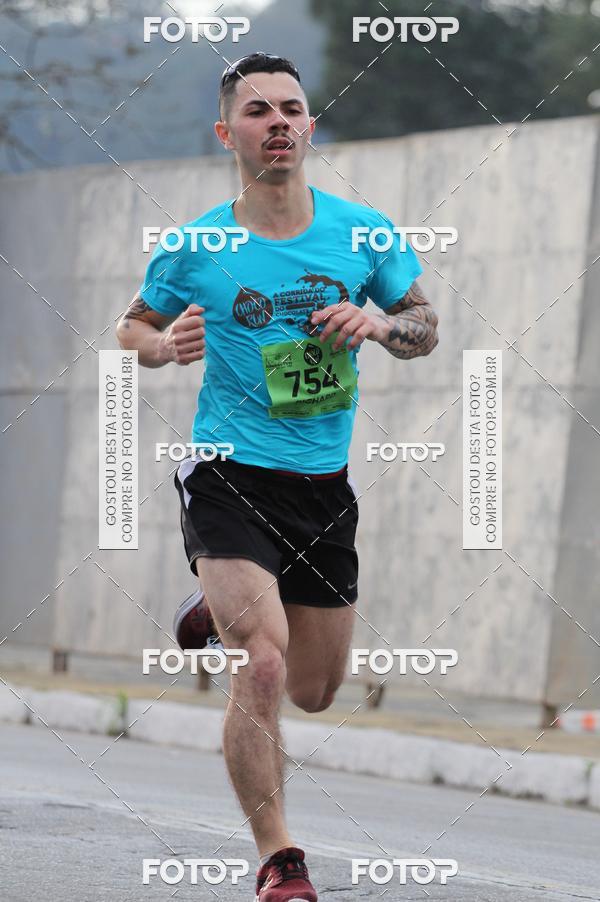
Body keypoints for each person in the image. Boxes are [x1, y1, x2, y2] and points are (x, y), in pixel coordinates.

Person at [116, 52, 438, 902]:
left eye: (292, 108)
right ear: (229, 134)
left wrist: (374, 323)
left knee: (316, 689)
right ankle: (278, 857)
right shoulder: (196, 244)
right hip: (228, 474)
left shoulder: (363, 233)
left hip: (322, 488)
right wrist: (159, 347)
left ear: (312, 126)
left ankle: (214, 605)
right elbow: (131, 325)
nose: (279, 122)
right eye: (258, 112)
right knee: (260, 665)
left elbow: (426, 324)